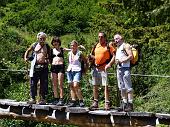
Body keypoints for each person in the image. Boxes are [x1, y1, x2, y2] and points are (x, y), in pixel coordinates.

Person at [88, 32, 116, 110]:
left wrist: (109, 64)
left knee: (105, 85)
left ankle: (107, 102)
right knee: (95, 85)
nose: (100, 38)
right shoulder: (96, 46)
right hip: (95, 68)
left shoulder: (108, 46)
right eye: (99, 37)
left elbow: (114, 56)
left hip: (104, 68)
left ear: (105, 38)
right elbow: (94, 56)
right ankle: (95, 102)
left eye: (102, 37)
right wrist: (91, 58)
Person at [24, 32, 50, 105]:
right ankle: (32, 98)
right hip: (34, 66)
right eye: (40, 38)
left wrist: (48, 60)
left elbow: (50, 56)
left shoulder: (47, 46)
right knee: (33, 83)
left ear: (45, 39)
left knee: (43, 83)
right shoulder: (34, 45)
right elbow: (28, 51)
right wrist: (25, 58)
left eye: (43, 38)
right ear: (38, 38)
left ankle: (43, 99)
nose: (42, 39)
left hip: (44, 67)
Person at [114, 33, 134, 111]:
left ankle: (130, 104)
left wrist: (122, 60)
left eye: (117, 39)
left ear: (121, 38)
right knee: (121, 87)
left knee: (128, 87)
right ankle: (124, 104)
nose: (115, 40)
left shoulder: (126, 45)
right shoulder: (118, 47)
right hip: (119, 69)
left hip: (126, 68)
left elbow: (131, 56)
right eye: (115, 39)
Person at [66, 40, 88, 107]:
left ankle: (81, 100)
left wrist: (85, 70)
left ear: (77, 46)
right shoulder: (69, 53)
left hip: (77, 70)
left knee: (76, 85)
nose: (73, 46)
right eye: (71, 45)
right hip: (70, 70)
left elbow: (85, 61)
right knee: (71, 85)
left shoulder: (79, 53)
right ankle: (73, 101)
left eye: (74, 45)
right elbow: (69, 62)